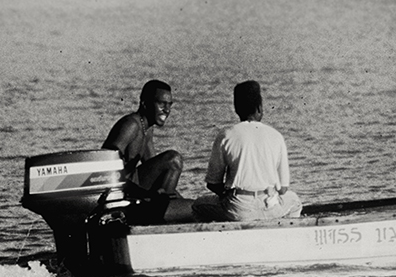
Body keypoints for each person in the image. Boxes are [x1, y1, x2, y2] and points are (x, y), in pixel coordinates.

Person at [193, 80, 303, 222]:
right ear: (259, 108)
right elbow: (283, 189)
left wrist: (227, 194)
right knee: (294, 201)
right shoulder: (276, 135)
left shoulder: (226, 135)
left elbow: (213, 183)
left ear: (236, 109)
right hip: (270, 206)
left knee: (197, 206)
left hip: (240, 209)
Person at [104, 79, 195, 223]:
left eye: (169, 105)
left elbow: (157, 173)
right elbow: (106, 170)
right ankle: (156, 215)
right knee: (174, 159)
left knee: (193, 206)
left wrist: (178, 199)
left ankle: (161, 212)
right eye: (161, 104)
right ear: (144, 103)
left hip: (132, 189)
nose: (167, 110)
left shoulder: (147, 128)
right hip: (120, 194)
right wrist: (146, 195)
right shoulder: (131, 125)